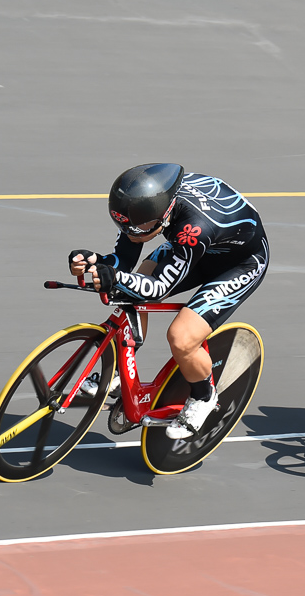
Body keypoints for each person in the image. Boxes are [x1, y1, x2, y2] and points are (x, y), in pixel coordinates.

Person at [69, 163, 269, 439]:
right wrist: (99, 263)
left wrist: (116, 277)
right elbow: (125, 257)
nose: (130, 232)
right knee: (131, 288)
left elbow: (157, 289)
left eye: (138, 228)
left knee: (181, 337)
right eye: (122, 224)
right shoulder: (142, 208)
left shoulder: (192, 229)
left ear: (164, 216)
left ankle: (203, 397)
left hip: (238, 264)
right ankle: (117, 370)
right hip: (201, 246)